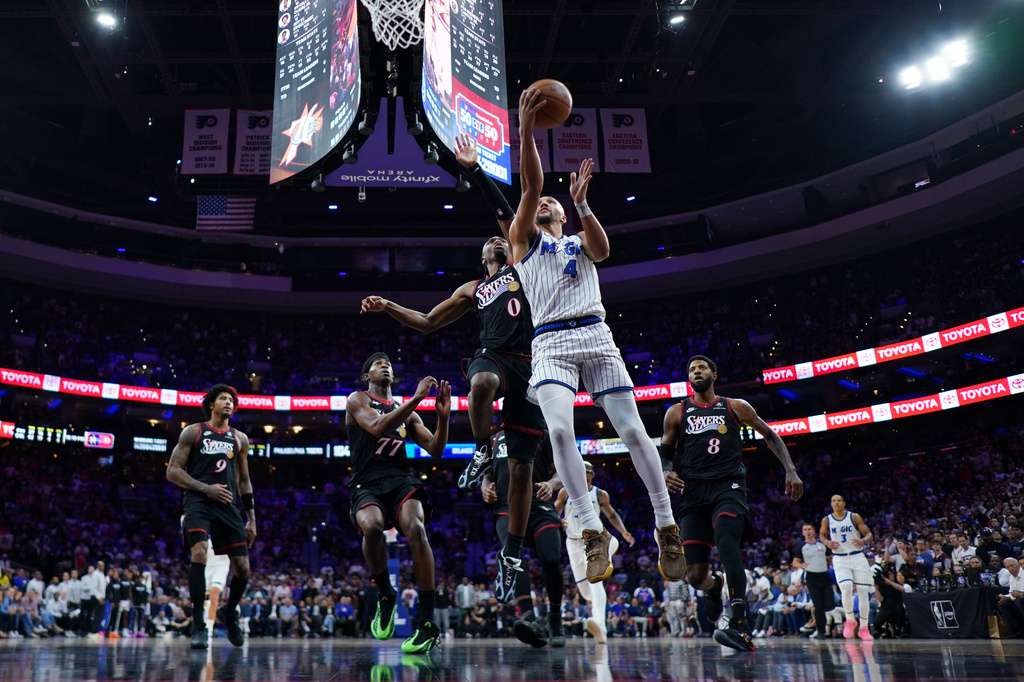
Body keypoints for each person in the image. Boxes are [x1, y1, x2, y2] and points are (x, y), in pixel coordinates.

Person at [508, 86, 684, 589]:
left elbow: (603, 251)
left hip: (596, 334)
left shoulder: (579, 236)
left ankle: (664, 522)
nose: (542, 202)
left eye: (550, 202)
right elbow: (530, 180)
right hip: (551, 344)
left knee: (633, 432)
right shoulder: (523, 240)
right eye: (538, 201)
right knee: (561, 433)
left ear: (561, 212)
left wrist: (584, 206)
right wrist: (525, 130)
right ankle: (588, 528)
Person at [361, 177, 543, 601]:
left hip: (532, 363)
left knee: (520, 471)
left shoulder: (525, 263)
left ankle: (511, 556)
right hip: (495, 355)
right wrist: (388, 305)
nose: (496, 243)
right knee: (479, 383)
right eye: (490, 243)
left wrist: (480, 176)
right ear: (483, 259)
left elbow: (513, 218)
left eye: (500, 240)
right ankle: (481, 447)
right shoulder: (473, 288)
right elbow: (427, 322)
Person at [660, 354, 803, 652]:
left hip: (729, 487)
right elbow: (665, 451)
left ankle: (739, 623)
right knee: (696, 577)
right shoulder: (676, 412)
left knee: (727, 545)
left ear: (714, 373)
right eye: (691, 369)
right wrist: (665, 471)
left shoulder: (735, 406)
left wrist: (790, 469)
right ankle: (714, 587)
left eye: (701, 367)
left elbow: (771, 435)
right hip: (693, 493)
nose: (696, 371)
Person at [345, 352, 451, 654]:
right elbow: (377, 427)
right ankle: (385, 593)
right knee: (372, 526)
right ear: (367, 376)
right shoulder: (357, 399)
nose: (385, 365)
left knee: (417, 529)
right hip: (367, 481)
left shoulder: (408, 411)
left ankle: (427, 622)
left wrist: (443, 418)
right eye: (377, 364)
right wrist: (416, 400)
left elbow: (435, 449)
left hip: (401, 478)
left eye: (388, 363)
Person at [167, 383, 256, 649]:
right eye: (223, 399)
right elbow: (172, 471)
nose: (229, 403)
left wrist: (251, 517)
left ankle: (229, 613)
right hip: (198, 500)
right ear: (211, 404)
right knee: (199, 552)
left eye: (232, 400)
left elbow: (245, 480)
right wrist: (205, 488)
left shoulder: (239, 438)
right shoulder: (193, 432)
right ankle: (198, 623)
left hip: (227, 505)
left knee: (243, 568)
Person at [480, 429, 564, 647]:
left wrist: (550, 484)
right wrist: (484, 490)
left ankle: (555, 619)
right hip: (506, 508)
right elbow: (486, 476)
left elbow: (562, 472)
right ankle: (530, 619)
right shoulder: (493, 440)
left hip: (539, 505)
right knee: (512, 560)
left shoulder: (542, 434)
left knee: (551, 559)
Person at [554, 460, 635, 644]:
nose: (583, 474)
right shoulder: (565, 491)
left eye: (586, 471)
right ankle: (598, 609)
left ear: (591, 474)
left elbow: (612, 515)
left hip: (592, 542)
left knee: (595, 581)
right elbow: (553, 510)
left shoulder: (599, 494)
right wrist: (556, 520)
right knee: (586, 592)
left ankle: (600, 625)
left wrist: (623, 531)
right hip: (572, 543)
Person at [820, 494, 874, 641]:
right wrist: (827, 543)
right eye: (833, 501)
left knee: (863, 592)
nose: (836, 503)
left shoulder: (854, 517)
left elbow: (869, 534)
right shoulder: (827, 520)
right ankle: (850, 620)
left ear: (844, 503)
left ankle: (864, 627)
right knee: (846, 588)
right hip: (840, 558)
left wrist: (863, 541)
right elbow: (822, 536)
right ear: (831, 504)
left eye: (839, 501)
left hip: (857, 556)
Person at [799, 523, 835, 639]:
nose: (807, 531)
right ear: (803, 532)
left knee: (829, 605)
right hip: (811, 578)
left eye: (809, 529)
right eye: (805, 529)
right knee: (818, 607)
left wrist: (832, 563)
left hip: (824, 576)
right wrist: (801, 565)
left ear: (814, 531)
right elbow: (795, 561)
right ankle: (821, 631)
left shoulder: (822, 545)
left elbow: (831, 557)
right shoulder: (801, 546)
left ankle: (819, 622)